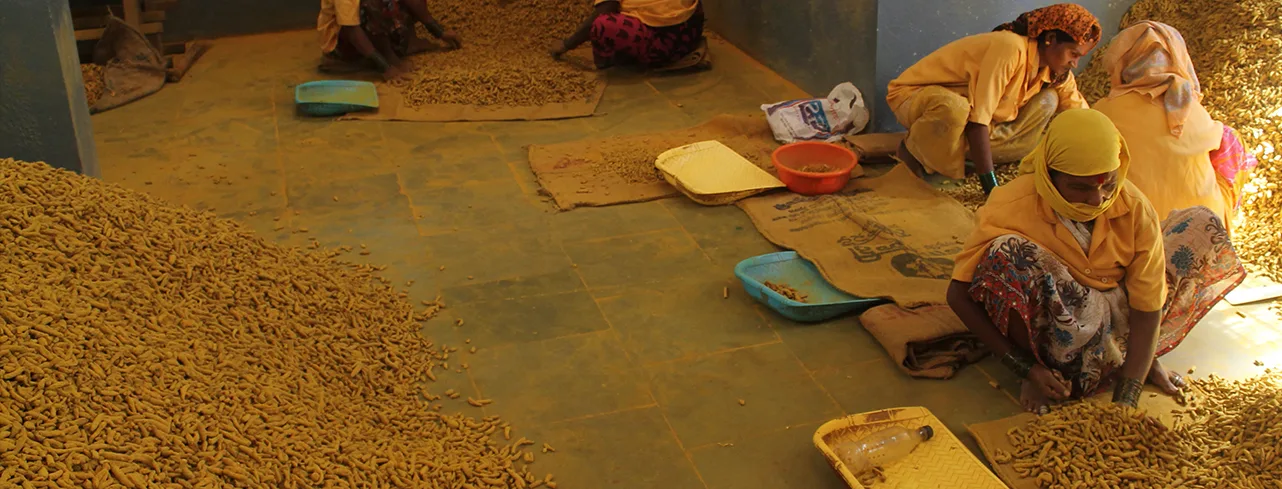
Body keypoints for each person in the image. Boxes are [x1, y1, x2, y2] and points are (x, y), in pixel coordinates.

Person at [945, 109, 1246, 413]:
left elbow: (1148, 304)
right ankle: (1048, 370)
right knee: (1006, 253)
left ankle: (1133, 358)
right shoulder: (1010, 204)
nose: (1097, 199)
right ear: (1049, 175)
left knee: (1200, 223)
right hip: (1063, 320)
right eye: (1081, 187)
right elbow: (958, 295)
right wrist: (1025, 368)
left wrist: (1129, 393)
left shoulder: (1133, 207)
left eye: (1108, 184)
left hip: (1119, 310)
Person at [886, 3, 1100, 194]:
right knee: (955, 108)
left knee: (1049, 101)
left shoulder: (1056, 73)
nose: (1075, 63)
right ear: (1050, 39)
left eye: (1080, 57)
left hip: (967, 122)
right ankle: (914, 152)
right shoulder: (1010, 47)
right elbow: (978, 121)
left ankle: (948, 152)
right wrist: (990, 187)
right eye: (1073, 53)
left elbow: (1081, 115)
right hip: (916, 98)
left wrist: (1106, 148)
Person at [1092, 21, 1258, 230]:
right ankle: (1224, 220)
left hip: (1134, 234)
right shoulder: (1190, 107)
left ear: (1123, 63)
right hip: (1201, 231)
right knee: (1229, 138)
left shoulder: (1104, 111)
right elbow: (1214, 139)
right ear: (1178, 59)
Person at [317, 0, 463, 81]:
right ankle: (387, 55)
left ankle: (410, 42)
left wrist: (439, 32)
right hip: (344, 44)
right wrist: (384, 66)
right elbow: (351, 30)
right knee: (373, 4)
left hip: (365, 29)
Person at [549, 0, 707, 70]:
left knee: (602, 25)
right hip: (688, 37)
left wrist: (566, 44)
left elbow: (603, 12)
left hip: (661, 45)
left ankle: (614, 60)